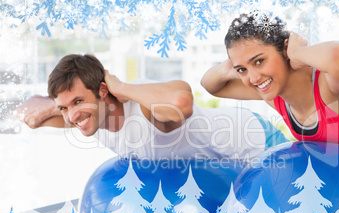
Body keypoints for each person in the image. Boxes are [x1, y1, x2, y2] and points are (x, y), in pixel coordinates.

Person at [201, 12, 339, 156]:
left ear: (285, 48)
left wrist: (298, 54)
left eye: (259, 61)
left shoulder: (329, 87)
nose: (253, 79)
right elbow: (211, 85)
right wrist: (231, 66)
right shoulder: (275, 95)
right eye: (242, 70)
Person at [16, 54, 287, 161]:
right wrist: (56, 107)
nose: (73, 115)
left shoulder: (144, 107)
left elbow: (183, 104)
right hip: (223, 165)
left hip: (257, 141)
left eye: (78, 101)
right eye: (65, 107)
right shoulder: (88, 117)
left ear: (102, 91)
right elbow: (28, 112)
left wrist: (121, 87)